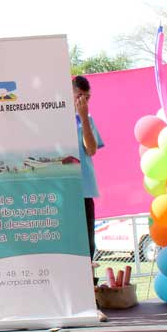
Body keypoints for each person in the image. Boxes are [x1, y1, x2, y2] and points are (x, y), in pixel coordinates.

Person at [73, 74, 104, 282]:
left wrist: (83, 118)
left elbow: (91, 149)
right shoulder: (54, 119)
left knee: (87, 244)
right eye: (79, 96)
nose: (83, 101)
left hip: (84, 191)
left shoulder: (87, 120)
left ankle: (89, 290)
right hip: (64, 191)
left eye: (87, 97)